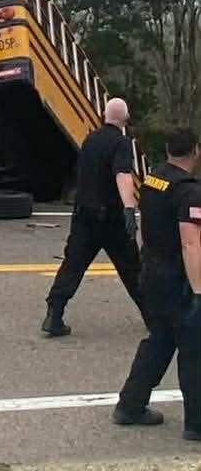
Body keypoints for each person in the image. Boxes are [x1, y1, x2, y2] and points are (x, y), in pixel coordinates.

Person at [113, 128, 201, 438]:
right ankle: (197, 424)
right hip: (177, 280)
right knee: (194, 348)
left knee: (161, 340)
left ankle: (130, 404)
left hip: (151, 272)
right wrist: (199, 292)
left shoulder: (153, 180)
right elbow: (191, 243)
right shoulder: (188, 191)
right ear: (195, 152)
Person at [42, 97, 142, 337]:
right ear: (126, 120)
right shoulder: (121, 143)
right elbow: (122, 175)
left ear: (103, 116)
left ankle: (54, 312)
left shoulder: (89, 140)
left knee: (73, 264)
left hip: (84, 214)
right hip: (110, 217)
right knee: (132, 269)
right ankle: (155, 318)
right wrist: (129, 208)